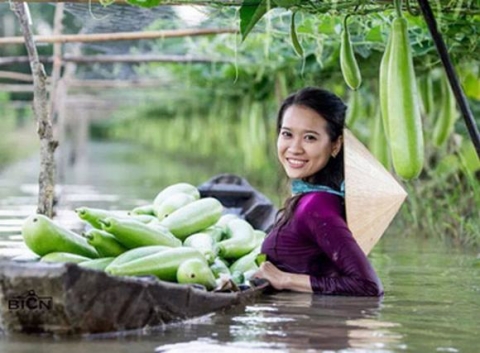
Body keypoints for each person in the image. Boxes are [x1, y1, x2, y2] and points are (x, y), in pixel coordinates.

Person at [253, 87, 383, 296]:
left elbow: (368, 286)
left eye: (310, 138)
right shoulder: (310, 198)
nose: (294, 148)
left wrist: (285, 279)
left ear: (335, 145)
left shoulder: (316, 205)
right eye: (287, 134)